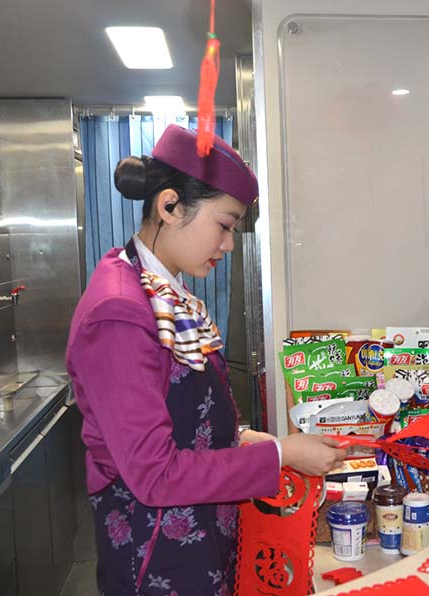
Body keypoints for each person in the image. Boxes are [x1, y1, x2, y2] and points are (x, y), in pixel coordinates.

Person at [66, 125, 346, 595]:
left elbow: (180, 412)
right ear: (169, 206)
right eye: (224, 225)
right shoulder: (119, 314)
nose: (229, 244)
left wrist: (249, 438)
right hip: (156, 558)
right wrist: (279, 455)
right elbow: (155, 474)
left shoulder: (160, 291)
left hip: (197, 541)